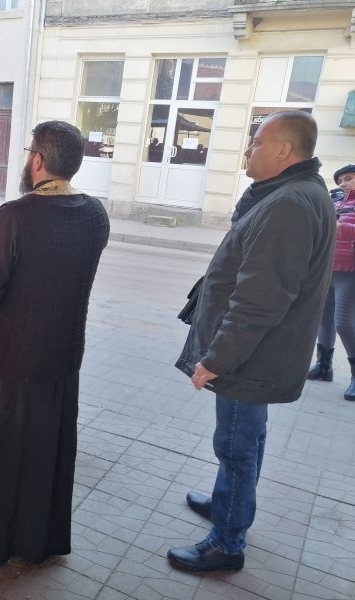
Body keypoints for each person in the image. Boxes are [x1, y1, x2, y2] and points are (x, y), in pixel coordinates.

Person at [168, 110, 335, 573]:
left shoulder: (289, 204)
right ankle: (230, 505)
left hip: (252, 360)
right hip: (262, 355)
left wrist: (217, 358)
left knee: (237, 447)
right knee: (248, 440)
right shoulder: (294, 193)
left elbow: (260, 299)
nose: (248, 150)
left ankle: (227, 542)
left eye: (257, 142)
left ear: (284, 150)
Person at [0, 121, 110, 566]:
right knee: (50, 447)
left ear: (38, 161)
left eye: (29, 151)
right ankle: (40, 539)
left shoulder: (18, 214)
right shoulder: (95, 213)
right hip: (63, 355)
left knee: (8, 448)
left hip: (16, 353)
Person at [306, 163, 355, 399]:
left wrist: (340, 227)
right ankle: (324, 367)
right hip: (327, 267)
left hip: (350, 269)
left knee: (343, 322)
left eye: (349, 178)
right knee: (324, 319)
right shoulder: (334, 201)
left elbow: (337, 227)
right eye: (341, 180)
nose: (344, 183)